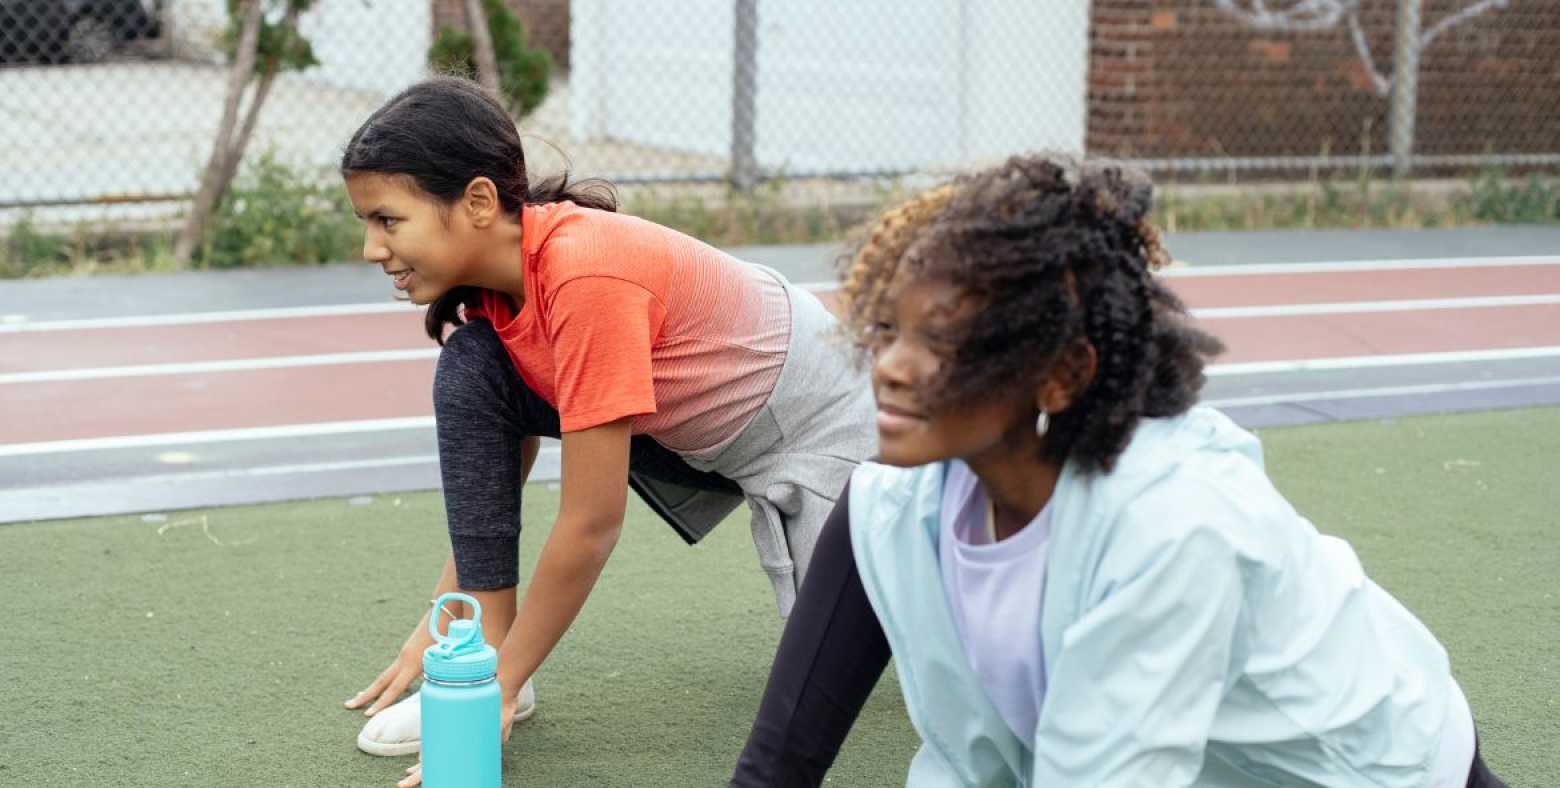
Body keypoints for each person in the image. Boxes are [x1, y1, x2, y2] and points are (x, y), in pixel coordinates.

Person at [729, 155, 1507, 787]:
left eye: (943, 343)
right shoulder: (891, 507)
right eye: (889, 328)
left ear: (1061, 375)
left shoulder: (1171, 523)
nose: (891, 368)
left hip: (1370, 771)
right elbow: (776, 769)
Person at [335, 77, 876, 787]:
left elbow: (591, 522)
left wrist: (488, 693)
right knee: (472, 370)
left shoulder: (585, 276)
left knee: (899, 634)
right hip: (695, 428)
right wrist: (454, 632)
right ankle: (490, 656)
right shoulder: (504, 286)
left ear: (476, 202)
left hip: (820, 417)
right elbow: (504, 453)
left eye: (387, 220)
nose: (373, 248)